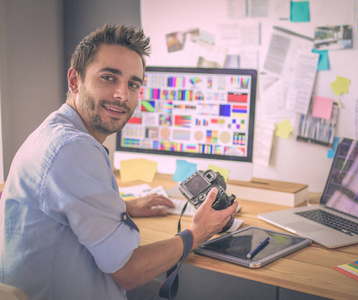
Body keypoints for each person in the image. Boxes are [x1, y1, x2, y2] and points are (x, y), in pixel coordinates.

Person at [0, 24, 238, 300]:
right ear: (74, 81)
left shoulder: (54, 131)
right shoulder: (73, 149)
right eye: (109, 78)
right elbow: (129, 271)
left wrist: (125, 207)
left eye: (133, 84)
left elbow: (65, 204)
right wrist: (198, 231)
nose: (122, 95)